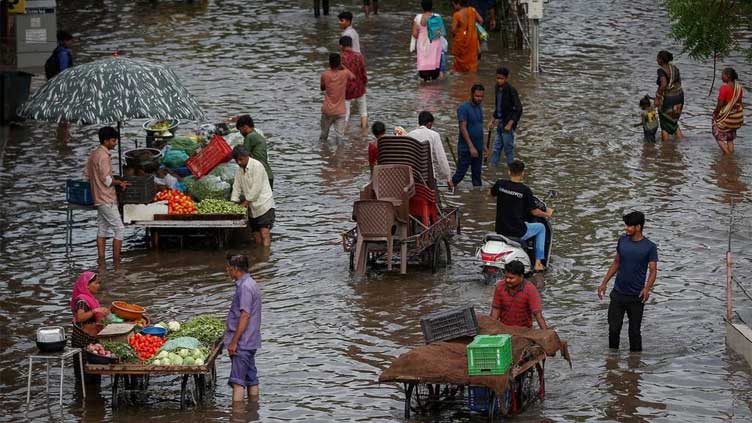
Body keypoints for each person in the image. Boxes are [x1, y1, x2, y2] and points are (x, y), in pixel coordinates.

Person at [597, 211, 658, 352]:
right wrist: (604, 283)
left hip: (637, 297)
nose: (626, 228)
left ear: (638, 227)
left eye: (629, 226)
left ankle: (635, 365)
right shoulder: (622, 240)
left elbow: (653, 270)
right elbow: (616, 262)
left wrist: (647, 288)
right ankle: (612, 361)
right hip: (618, 295)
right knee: (613, 329)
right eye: (625, 225)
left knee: (634, 333)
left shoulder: (650, 247)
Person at [490, 160, 553, 272]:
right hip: (517, 231)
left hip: (500, 229)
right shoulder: (525, 190)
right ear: (523, 173)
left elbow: (490, 195)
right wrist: (547, 214)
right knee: (541, 228)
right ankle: (538, 263)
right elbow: (534, 212)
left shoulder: (500, 184)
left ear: (509, 172)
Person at [84, 126, 129, 262]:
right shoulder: (103, 156)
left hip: (98, 197)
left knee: (102, 229)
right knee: (119, 229)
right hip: (106, 198)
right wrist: (119, 183)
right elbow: (107, 180)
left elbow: (86, 174)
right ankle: (116, 261)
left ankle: (101, 260)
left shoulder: (94, 154)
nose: (115, 143)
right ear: (106, 141)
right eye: (113, 141)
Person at [224, 254, 262, 402]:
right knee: (251, 378)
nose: (227, 271)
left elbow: (244, 316)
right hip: (251, 340)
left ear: (234, 269)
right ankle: (253, 410)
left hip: (243, 342)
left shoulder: (245, 287)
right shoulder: (252, 283)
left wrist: (234, 341)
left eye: (228, 268)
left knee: (237, 381)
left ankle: (237, 414)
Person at [230, 146, 275, 247]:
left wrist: (245, 203)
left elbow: (256, 188)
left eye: (241, 159)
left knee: (264, 234)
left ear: (247, 156)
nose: (239, 162)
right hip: (252, 207)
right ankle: (259, 256)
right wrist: (233, 203)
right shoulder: (239, 170)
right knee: (256, 235)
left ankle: (265, 257)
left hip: (264, 204)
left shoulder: (257, 166)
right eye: (237, 160)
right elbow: (236, 187)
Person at [490, 260, 548, 329]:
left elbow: (538, 315)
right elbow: (496, 309)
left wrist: (545, 333)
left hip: (524, 330)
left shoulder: (530, 290)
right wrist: (490, 328)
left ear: (521, 277)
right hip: (504, 329)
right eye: (506, 277)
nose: (507, 280)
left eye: (511, 278)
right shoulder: (500, 286)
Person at [407, 111, 453, 189]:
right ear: (429, 124)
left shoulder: (409, 135)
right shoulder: (434, 135)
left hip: (412, 175)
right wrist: (448, 178)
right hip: (428, 176)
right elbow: (441, 158)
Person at [451, 84, 486, 187]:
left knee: (477, 176)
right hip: (466, 148)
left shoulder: (479, 107)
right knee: (460, 174)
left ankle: (476, 199)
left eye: (481, 96)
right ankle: (449, 190)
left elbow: (479, 126)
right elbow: (463, 127)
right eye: (477, 96)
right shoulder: (463, 108)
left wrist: (483, 145)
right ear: (471, 94)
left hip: (478, 147)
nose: (479, 99)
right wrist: (471, 147)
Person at [488, 67, 523, 167]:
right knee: (496, 148)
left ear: (506, 78)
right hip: (500, 122)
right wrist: (492, 120)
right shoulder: (497, 88)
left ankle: (512, 172)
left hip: (507, 124)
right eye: (497, 78)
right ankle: (492, 169)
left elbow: (519, 109)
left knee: (508, 150)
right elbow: (498, 107)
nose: (499, 80)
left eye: (501, 78)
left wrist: (510, 123)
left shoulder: (511, 90)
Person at [320, 53, 355, 142]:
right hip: (340, 111)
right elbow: (353, 77)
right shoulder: (345, 73)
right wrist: (343, 66)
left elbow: (322, 88)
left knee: (323, 135)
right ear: (339, 63)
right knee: (340, 138)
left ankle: (323, 153)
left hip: (327, 110)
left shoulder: (325, 75)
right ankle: (340, 155)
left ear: (329, 63)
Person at [712, 67, 744, 155]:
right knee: (730, 138)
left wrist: (715, 113)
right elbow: (739, 103)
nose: (721, 76)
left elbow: (720, 104)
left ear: (728, 76)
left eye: (723, 74)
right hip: (735, 118)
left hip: (726, 118)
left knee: (717, 135)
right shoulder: (739, 88)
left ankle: (728, 155)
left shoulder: (724, 88)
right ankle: (731, 154)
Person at [236, 115, 274, 189]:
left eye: (240, 130)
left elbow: (243, 157)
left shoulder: (249, 137)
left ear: (245, 127)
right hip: (268, 175)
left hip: (260, 176)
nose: (240, 133)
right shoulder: (257, 135)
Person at [654, 50, 684, 142]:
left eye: (658, 58)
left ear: (661, 60)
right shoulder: (674, 68)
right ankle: (682, 142)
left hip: (668, 99)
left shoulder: (661, 71)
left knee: (665, 125)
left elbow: (663, 84)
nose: (656, 60)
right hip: (679, 97)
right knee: (673, 121)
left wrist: (658, 96)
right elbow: (679, 82)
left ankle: (666, 149)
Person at [339, 36, 368, 129]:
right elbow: (363, 73)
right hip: (359, 87)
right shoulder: (359, 56)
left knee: (345, 115)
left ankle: (343, 135)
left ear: (341, 46)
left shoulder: (341, 58)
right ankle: (364, 134)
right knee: (363, 112)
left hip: (346, 89)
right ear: (351, 44)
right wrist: (364, 83)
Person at [411, 0, 444, 82]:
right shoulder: (437, 16)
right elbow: (440, 32)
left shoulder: (418, 18)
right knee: (435, 65)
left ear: (422, 7)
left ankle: (425, 83)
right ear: (432, 6)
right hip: (435, 43)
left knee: (424, 64)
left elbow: (414, 34)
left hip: (423, 44)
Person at [451, 0, 483, 73]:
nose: (454, 7)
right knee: (471, 60)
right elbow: (481, 20)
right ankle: (471, 77)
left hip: (461, 40)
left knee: (459, 61)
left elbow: (453, 30)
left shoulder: (457, 15)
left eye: (454, 5)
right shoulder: (472, 10)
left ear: (459, 4)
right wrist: (472, 28)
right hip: (472, 39)